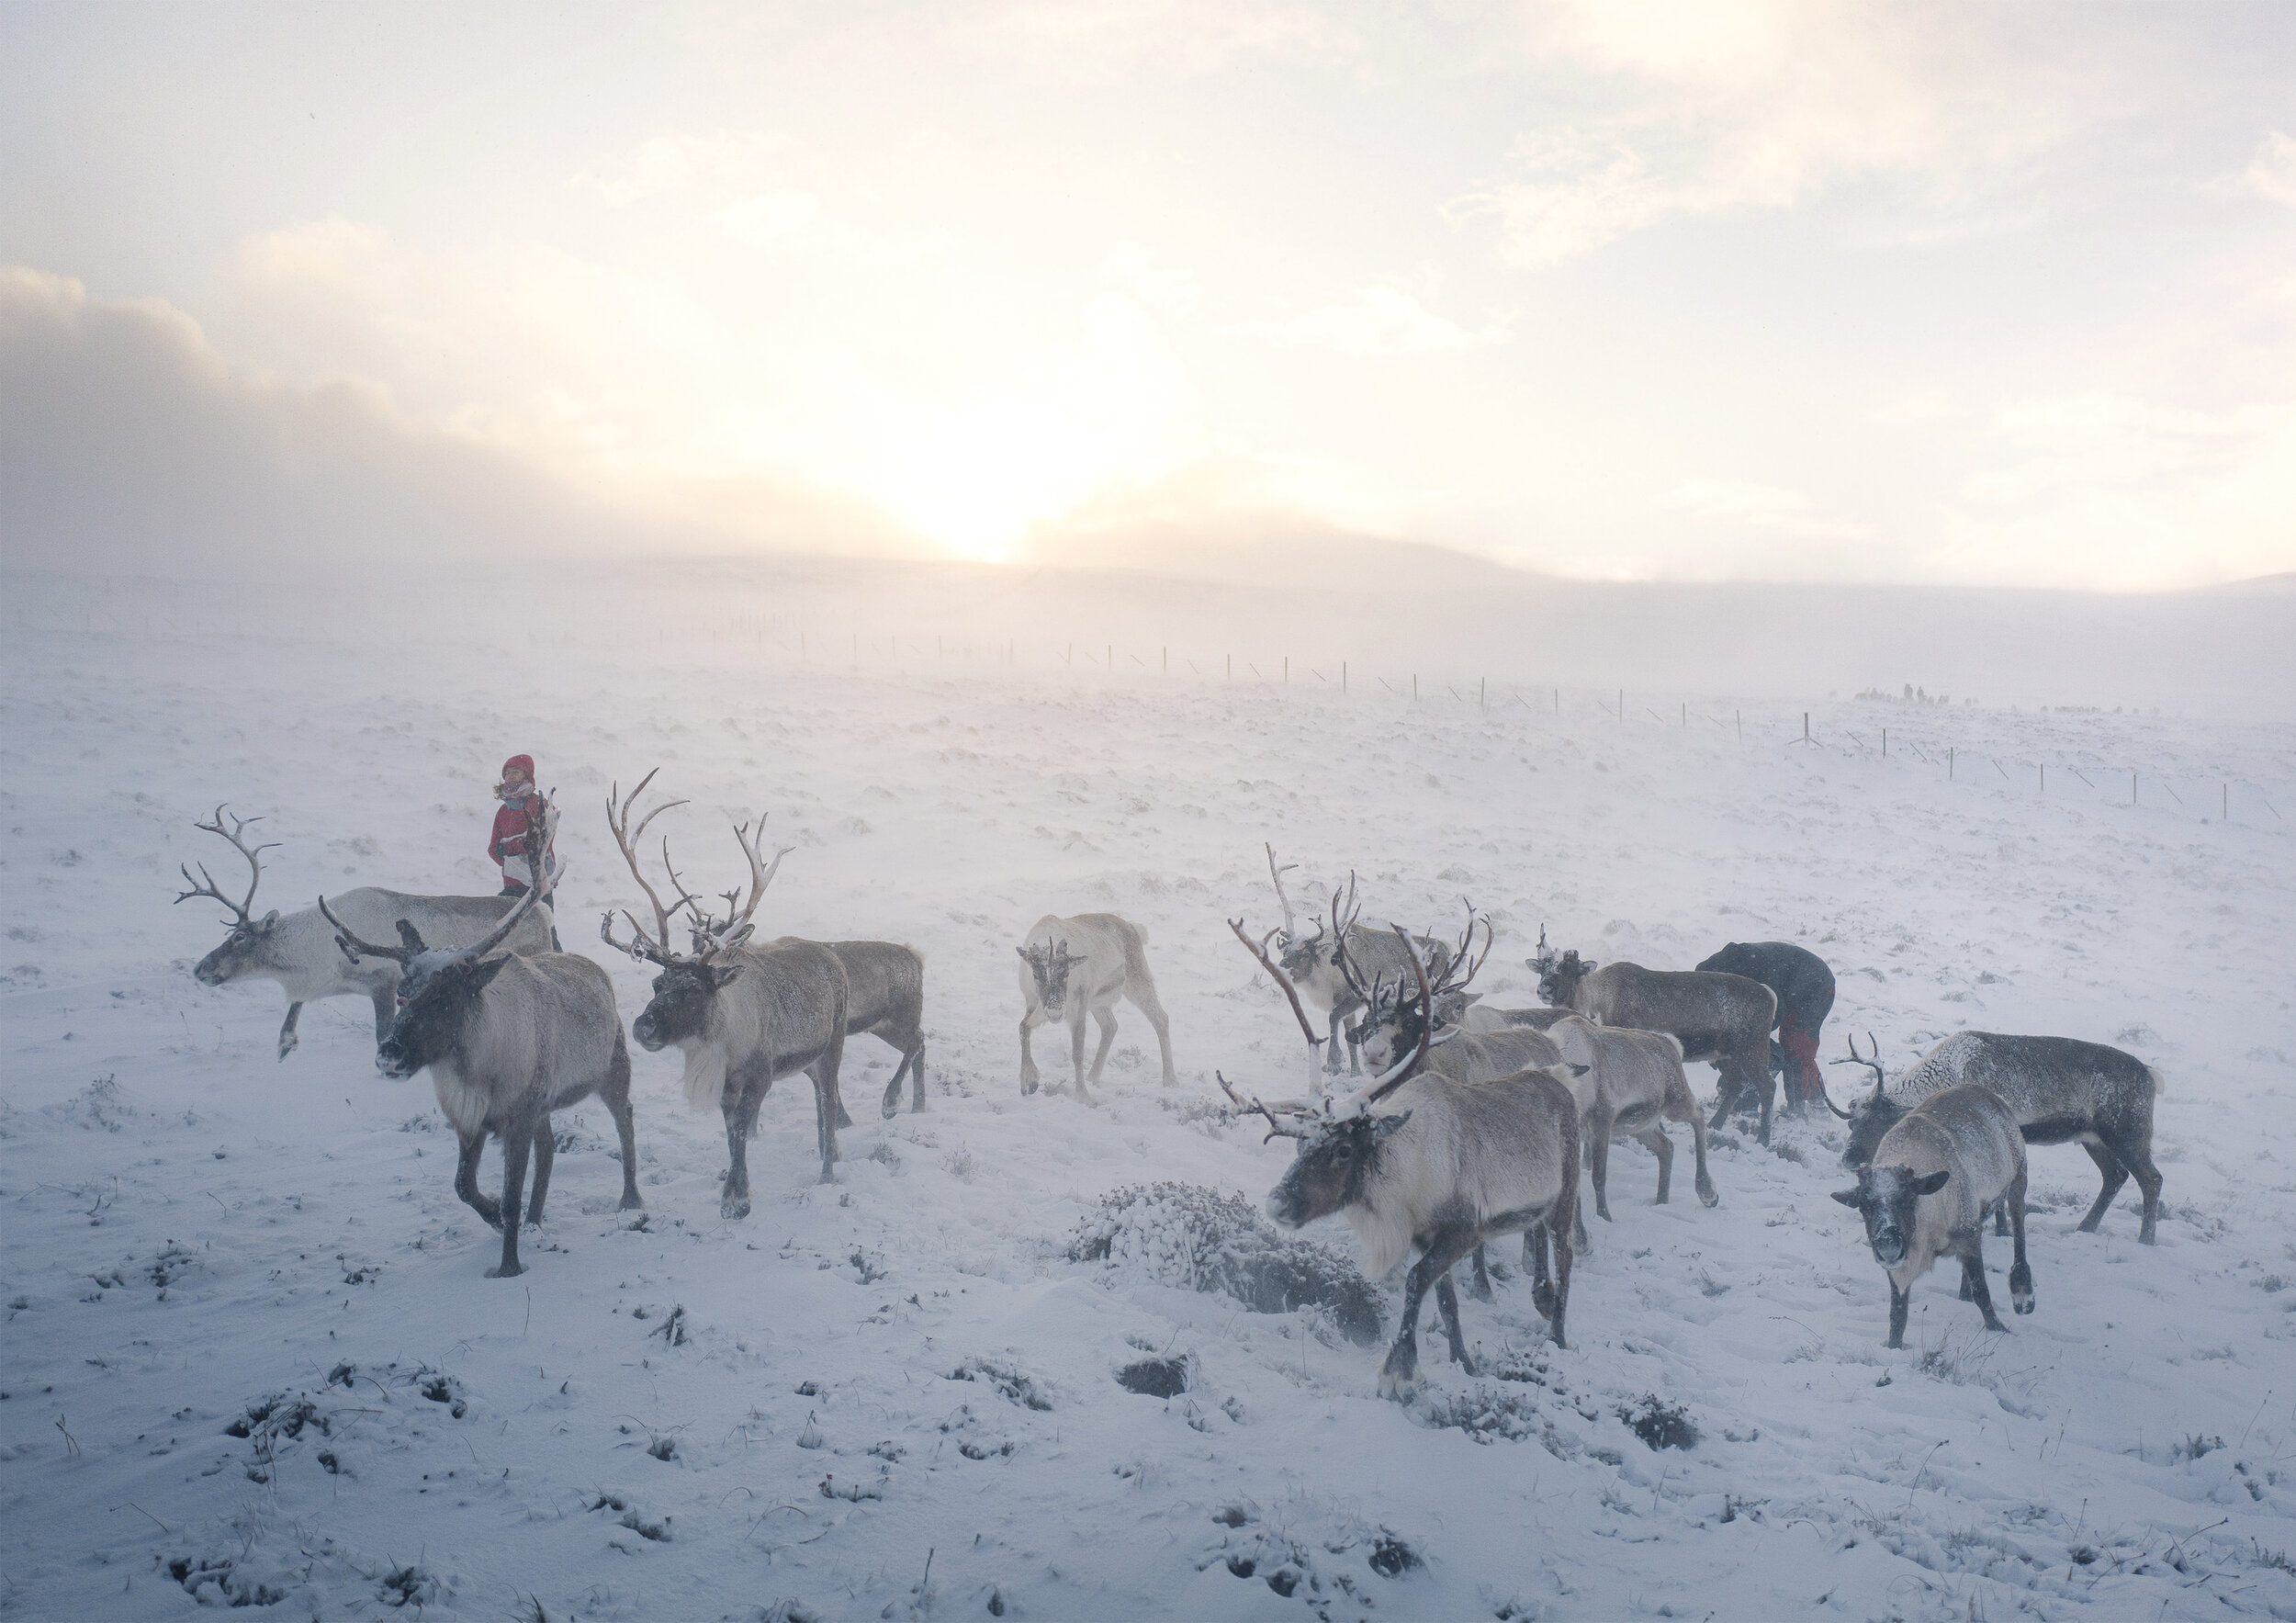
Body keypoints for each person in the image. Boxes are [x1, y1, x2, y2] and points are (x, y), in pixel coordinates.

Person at [488, 754, 562, 950]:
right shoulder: (503, 811)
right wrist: (511, 862)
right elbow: (493, 848)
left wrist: (509, 849)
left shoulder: (541, 805)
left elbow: (540, 840)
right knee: (502, 931)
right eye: (507, 773)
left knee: (545, 934)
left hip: (538, 882)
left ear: (527, 775)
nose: (510, 777)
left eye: (516, 772)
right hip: (513, 884)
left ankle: (558, 970)